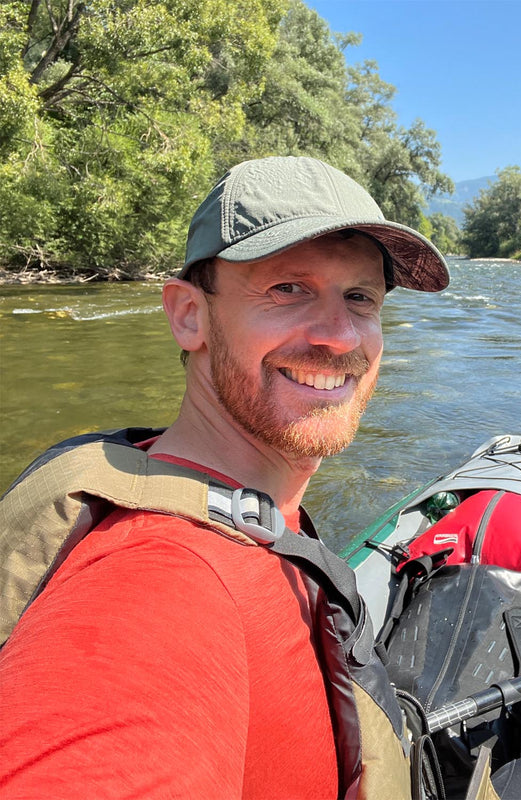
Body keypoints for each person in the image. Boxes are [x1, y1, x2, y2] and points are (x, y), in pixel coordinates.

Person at [0, 156, 449, 799]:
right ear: (189, 316)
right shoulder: (157, 580)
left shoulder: (211, 495)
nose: (339, 336)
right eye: (287, 289)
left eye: (360, 298)